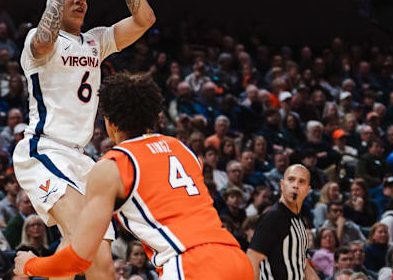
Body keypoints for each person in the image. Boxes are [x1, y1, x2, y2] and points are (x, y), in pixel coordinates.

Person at [13, 0, 156, 280]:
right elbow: (45, 40)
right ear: (56, 3)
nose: (80, 2)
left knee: (100, 263)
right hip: (44, 150)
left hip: (82, 159)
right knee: (81, 242)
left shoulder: (96, 41)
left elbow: (145, 21)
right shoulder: (39, 39)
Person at [14, 73, 251, 280]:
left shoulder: (112, 166)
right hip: (236, 257)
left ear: (110, 122)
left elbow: (81, 258)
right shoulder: (183, 149)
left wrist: (30, 265)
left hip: (190, 264)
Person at [247, 164, 320, 280]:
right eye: (291, 180)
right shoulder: (274, 217)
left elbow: (302, 263)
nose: (295, 185)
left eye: (301, 182)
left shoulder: (300, 221)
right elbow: (252, 259)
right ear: (282, 185)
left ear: (307, 190)